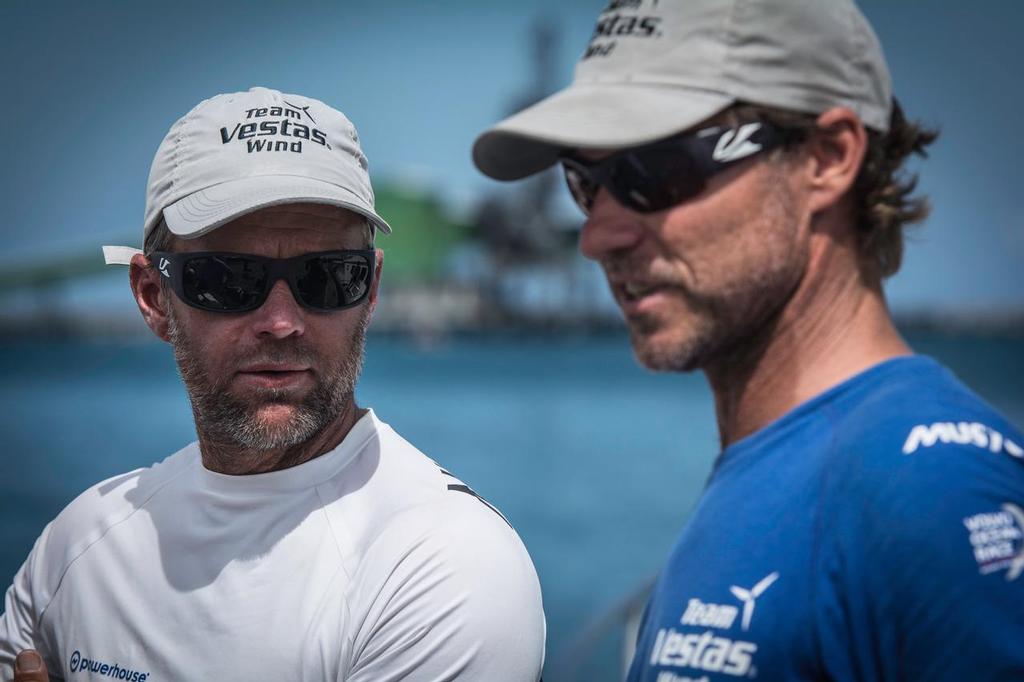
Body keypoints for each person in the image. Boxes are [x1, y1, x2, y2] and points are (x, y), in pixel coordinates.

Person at [473, 1, 1024, 680]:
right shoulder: (782, 469)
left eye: (656, 170)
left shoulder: (932, 489)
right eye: (586, 183)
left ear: (826, 159)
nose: (596, 236)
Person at [1, 87, 545, 681]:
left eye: (329, 277)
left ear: (372, 290)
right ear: (154, 297)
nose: (282, 323)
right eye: (227, 279)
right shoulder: (78, 550)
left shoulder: (444, 568)